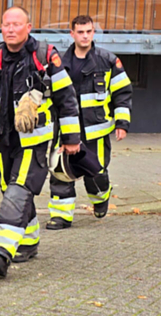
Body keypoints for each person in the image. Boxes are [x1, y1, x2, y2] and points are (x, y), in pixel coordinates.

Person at [0, 6, 81, 279]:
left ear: (29, 27)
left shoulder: (45, 56)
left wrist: (72, 140)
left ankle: (1, 251)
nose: (11, 29)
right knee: (9, 189)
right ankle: (27, 242)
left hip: (35, 142)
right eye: (6, 24)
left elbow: (66, 98)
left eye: (17, 24)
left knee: (18, 191)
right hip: (3, 141)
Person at [46, 15, 132, 229]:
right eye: (80, 32)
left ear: (93, 33)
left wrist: (122, 123)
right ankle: (61, 216)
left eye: (89, 31)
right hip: (65, 129)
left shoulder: (107, 60)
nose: (85, 36)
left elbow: (122, 92)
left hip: (96, 129)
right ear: (72, 34)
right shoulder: (59, 62)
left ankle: (101, 198)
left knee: (96, 172)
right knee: (61, 172)